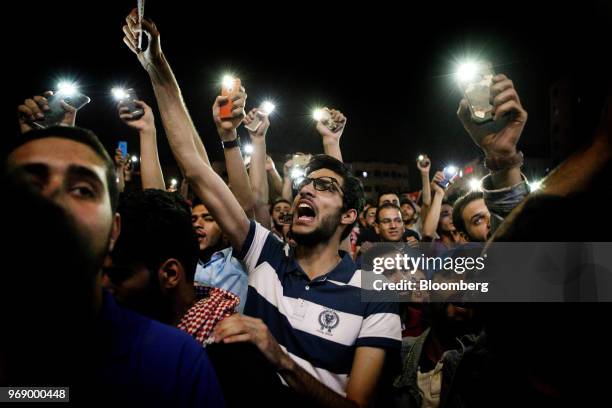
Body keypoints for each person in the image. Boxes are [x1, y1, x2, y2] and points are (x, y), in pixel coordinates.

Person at [5, 124, 224, 406]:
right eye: (28, 185)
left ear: (113, 230)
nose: (52, 197)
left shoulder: (175, 361)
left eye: (83, 189)